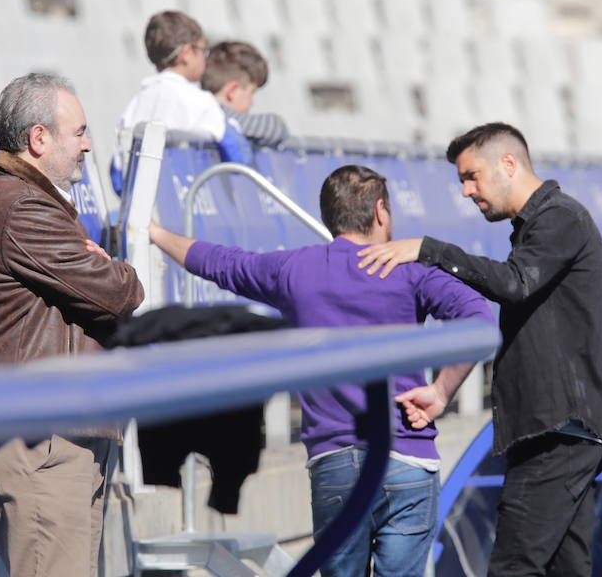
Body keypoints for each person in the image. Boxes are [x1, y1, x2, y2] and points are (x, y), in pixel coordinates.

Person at [149, 164, 493, 576]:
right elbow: (479, 319)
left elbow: (219, 262)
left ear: (330, 216)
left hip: (334, 462)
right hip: (407, 455)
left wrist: (154, 233)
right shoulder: (407, 269)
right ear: (381, 212)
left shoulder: (294, 270)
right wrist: (441, 391)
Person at [356, 122, 602, 577]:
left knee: (512, 568)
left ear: (508, 164)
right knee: (566, 567)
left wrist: (429, 250)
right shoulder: (547, 225)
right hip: (567, 430)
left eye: (472, 177)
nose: (467, 191)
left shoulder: (559, 217)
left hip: (559, 432)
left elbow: (515, 283)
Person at [0, 72, 144, 577]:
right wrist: (116, 271)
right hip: (42, 441)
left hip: (52, 438)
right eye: (78, 131)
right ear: (39, 139)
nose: (86, 145)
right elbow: (121, 291)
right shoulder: (22, 207)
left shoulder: (22, 201)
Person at [116, 10, 225, 140]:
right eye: (203, 50)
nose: (205, 58)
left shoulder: (134, 105)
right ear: (187, 53)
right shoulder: (201, 102)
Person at [201, 40, 289, 148]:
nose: (252, 103)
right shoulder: (208, 115)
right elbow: (274, 126)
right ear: (232, 91)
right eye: (251, 93)